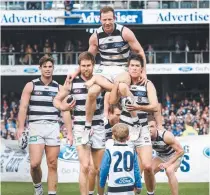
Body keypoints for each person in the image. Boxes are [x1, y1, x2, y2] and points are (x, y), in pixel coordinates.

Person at [67, 6, 146, 135]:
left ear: (114, 18)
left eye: (110, 19)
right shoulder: (95, 37)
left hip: (122, 69)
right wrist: (75, 72)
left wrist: (143, 72)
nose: (107, 22)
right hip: (104, 70)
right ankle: (88, 126)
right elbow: (87, 58)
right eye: (104, 19)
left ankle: (136, 122)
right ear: (100, 20)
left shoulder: (125, 32)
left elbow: (140, 51)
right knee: (92, 92)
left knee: (123, 88)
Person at [53, 51, 105, 195]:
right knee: (85, 167)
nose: (86, 68)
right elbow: (56, 100)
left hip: (98, 126)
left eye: (88, 65)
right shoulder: (71, 82)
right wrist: (63, 107)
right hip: (81, 127)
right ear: (79, 66)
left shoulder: (99, 79)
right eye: (83, 66)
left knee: (99, 169)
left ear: (93, 65)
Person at [109, 54, 158, 195]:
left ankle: (150, 193)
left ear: (141, 69)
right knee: (126, 169)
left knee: (148, 166)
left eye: (137, 66)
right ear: (128, 68)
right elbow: (112, 101)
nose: (135, 68)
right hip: (125, 130)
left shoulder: (148, 84)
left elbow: (155, 106)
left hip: (142, 128)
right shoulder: (124, 83)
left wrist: (138, 107)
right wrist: (117, 83)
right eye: (132, 66)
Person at [16, 56, 64, 195]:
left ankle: (52, 193)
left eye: (50, 67)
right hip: (36, 126)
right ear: (40, 68)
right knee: (35, 164)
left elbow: (64, 110)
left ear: (53, 68)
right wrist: (20, 128)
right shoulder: (31, 85)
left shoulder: (59, 88)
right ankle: (38, 188)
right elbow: (23, 107)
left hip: (53, 126)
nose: (48, 69)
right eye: (45, 67)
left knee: (52, 163)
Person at [100, 123, 142, 195]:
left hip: (113, 187)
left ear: (113, 136)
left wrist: (102, 184)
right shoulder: (132, 151)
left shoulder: (109, 151)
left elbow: (104, 169)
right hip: (129, 188)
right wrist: (139, 185)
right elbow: (136, 170)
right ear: (128, 137)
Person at [89, 103, 122, 195]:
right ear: (110, 113)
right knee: (95, 170)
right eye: (117, 115)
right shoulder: (101, 123)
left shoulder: (121, 125)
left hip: (113, 154)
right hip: (99, 150)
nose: (119, 117)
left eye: (120, 115)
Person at [148, 110, 184, 195]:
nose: (149, 129)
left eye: (152, 126)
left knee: (169, 171)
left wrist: (168, 163)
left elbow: (181, 151)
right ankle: (151, 193)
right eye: (147, 127)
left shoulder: (166, 136)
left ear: (156, 126)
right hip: (161, 156)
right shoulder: (145, 137)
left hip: (174, 155)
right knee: (150, 170)